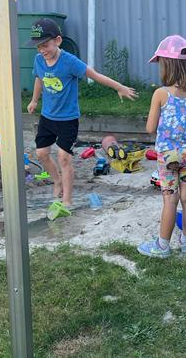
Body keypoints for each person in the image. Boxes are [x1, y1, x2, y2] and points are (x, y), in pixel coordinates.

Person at [26, 17, 138, 220]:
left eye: (46, 45)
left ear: (57, 41)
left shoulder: (70, 62)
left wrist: (119, 87)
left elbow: (94, 75)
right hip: (47, 116)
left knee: (64, 157)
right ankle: (57, 181)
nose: (42, 50)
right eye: (38, 46)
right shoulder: (39, 60)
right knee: (41, 153)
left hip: (67, 119)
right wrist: (34, 100)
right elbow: (39, 79)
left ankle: (67, 200)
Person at [138, 35, 186, 258]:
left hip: (168, 156)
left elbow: (150, 128)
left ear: (167, 65)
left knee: (170, 198)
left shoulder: (161, 94)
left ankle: (162, 246)